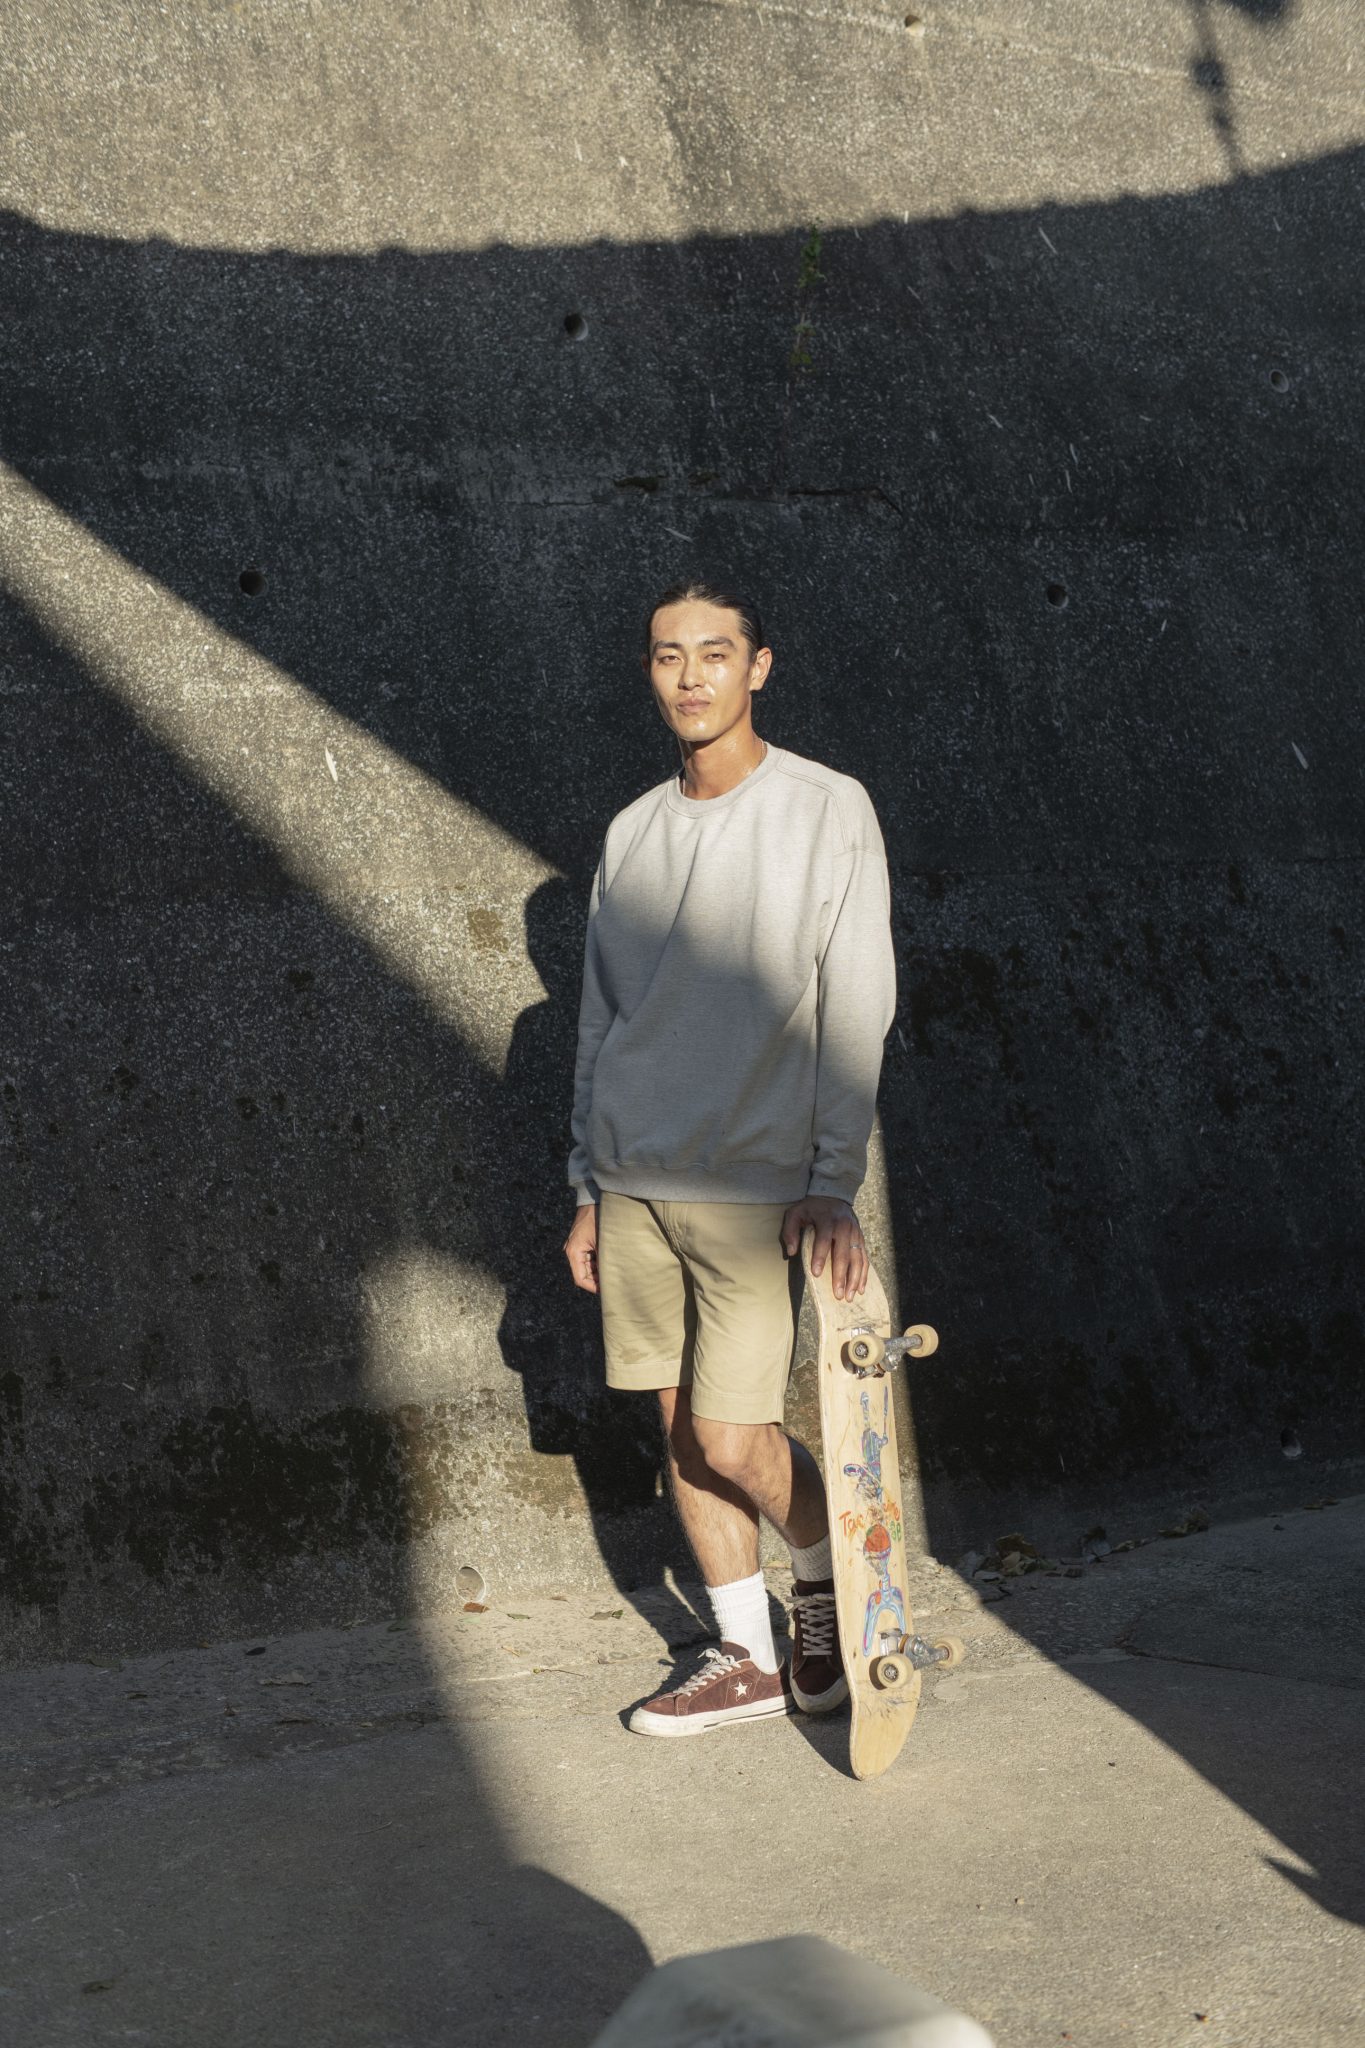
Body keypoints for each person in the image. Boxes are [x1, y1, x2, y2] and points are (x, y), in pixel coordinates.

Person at [562, 581, 895, 1737]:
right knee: (678, 1431)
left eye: (715, 652)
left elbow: (856, 995)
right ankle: (746, 1654)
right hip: (634, 1183)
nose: (691, 674)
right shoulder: (633, 832)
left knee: (731, 1433)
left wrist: (832, 1176)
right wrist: (588, 1183)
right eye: (668, 655)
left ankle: (827, 1569)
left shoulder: (825, 806)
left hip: (754, 1182)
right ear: (649, 671)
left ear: (759, 666)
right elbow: (601, 1020)